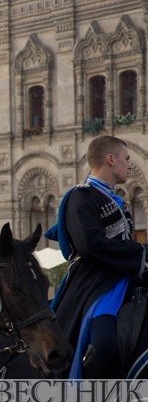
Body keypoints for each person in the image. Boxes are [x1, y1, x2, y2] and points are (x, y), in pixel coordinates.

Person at [48, 135, 148, 379]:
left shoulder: (116, 200)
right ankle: (84, 386)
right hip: (96, 283)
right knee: (104, 341)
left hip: (123, 276)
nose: (129, 165)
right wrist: (141, 252)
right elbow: (90, 245)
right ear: (110, 159)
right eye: (126, 159)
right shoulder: (81, 196)